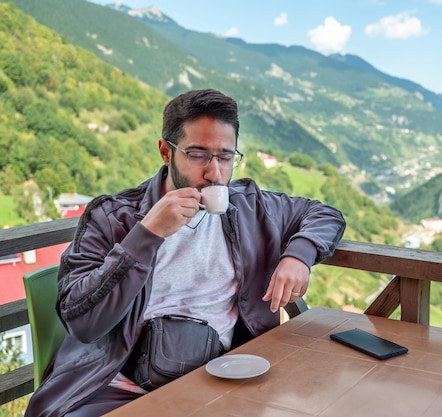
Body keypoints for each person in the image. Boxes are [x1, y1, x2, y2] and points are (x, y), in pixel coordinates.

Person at [25, 88, 345, 417]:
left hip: (220, 384)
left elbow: (325, 214)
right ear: (166, 152)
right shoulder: (112, 217)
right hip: (115, 389)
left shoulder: (249, 206)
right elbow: (83, 323)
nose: (215, 173)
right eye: (198, 154)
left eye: (225, 156)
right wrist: (147, 234)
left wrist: (299, 255)